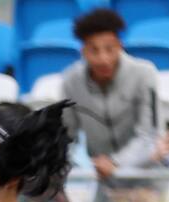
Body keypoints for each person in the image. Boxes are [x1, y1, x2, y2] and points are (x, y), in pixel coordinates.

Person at [61, 8, 160, 182]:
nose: (103, 59)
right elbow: (67, 136)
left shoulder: (145, 74)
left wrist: (116, 162)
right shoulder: (70, 81)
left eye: (109, 49)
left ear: (120, 46)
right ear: (83, 51)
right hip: (101, 181)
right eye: (94, 50)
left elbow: (149, 135)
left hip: (146, 176)